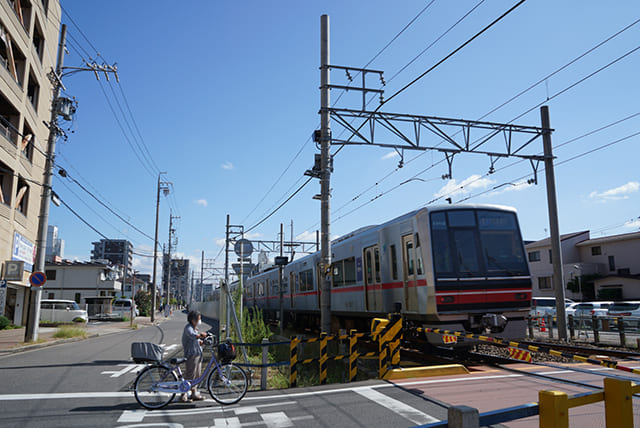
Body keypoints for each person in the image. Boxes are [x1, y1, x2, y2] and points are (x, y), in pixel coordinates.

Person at [181, 310, 207, 402]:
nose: (200, 320)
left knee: (197, 375)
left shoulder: (195, 328)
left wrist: (200, 342)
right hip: (191, 355)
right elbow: (192, 335)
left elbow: (195, 340)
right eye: (199, 319)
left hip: (197, 354)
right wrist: (200, 335)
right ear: (193, 320)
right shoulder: (188, 328)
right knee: (190, 375)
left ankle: (194, 393)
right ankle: (183, 394)